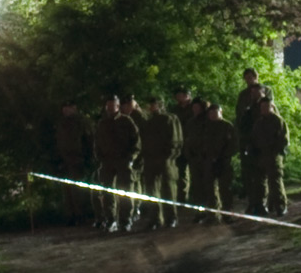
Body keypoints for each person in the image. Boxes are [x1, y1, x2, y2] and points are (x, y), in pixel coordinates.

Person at [93, 95, 139, 231]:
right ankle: (110, 219)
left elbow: (136, 142)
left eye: (113, 105)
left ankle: (125, 220)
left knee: (125, 192)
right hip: (107, 162)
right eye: (108, 106)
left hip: (123, 161)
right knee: (107, 192)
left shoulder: (127, 121)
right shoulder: (102, 123)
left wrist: (131, 158)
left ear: (117, 106)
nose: (110, 108)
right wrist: (99, 158)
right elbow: (97, 143)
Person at [136, 88, 181, 228]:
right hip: (149, 160)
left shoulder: (169, 118)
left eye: (154, 103)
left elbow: (176, 140)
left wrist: (169, 156)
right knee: (151, 190)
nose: (151, 106)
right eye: (150, 104)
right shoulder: (147, 122)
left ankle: (171, 217)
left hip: (164, 159)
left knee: (168, 189)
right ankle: (155, 218)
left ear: (161, 104)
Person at [245, 84, 290, 217]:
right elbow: (253, 138)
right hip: (260, 156)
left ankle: (280, 206)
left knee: (275, 182)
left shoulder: (278, 121)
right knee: (261, 183)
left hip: (273, 155)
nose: (264, 109)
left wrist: (275, 151)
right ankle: (262, 206)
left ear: (271, 107)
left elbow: (284, 139)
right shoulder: (258, 122)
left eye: (266, 106)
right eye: (262, 107)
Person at [181, 99, 220, 212]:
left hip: (207, 158)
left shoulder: (209, 122)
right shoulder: (191, 122)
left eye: (198, 107)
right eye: (194, 107)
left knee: (210, 186)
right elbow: (187, 139)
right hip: (194, 157)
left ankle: (213, 211)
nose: (195, 109)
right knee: (197, 185)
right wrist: (188, 153)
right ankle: (200, 211)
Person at [54, 102, 88, 180]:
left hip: (78, 160)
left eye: (68, 107)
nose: (66, 110)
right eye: (64, 108)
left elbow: (88, 141)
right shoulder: (61, 124)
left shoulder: (81, 122)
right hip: (64, 161)